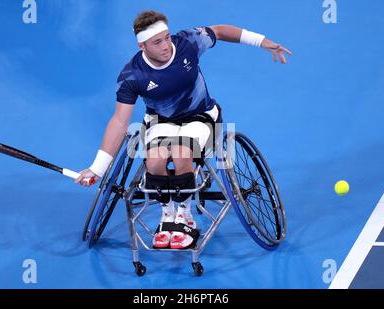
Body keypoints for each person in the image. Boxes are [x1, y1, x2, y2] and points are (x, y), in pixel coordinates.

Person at [75, 10, 292, 249]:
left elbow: (219, 31)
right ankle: (167, 215)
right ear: (142, 45)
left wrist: (262, 41)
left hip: (201, 117)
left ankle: (184, 215)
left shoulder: (188, 43)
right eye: (157, 42)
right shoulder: (132, 75)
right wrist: (97, 168)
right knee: (155, 159)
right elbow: (119, 121)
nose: (166, 46)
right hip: (161, 122)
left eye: (167, 38)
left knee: (180, 153)